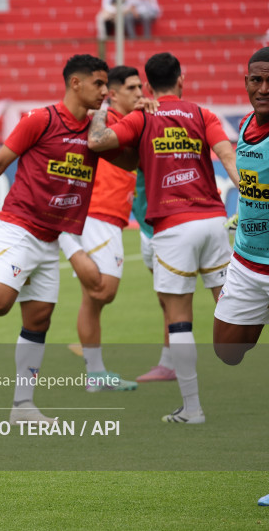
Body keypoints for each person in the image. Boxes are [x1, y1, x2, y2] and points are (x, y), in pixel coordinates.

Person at [0, 54, 139, 423]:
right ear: (75, 83)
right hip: (20, 226)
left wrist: (112, 124)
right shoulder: (40, 119)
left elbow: (130, 162)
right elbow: (0, 161)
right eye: (99, 84)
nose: (105, 91)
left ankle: (22, 406)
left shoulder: (95, 133)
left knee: (38, 319)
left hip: (53, 237)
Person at [88, 51, 239, 425]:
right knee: (235, 310)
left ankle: (192, 409)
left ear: (150, 86)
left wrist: (101, 112)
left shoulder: (142, 117)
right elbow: (227, 156)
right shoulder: (203, 114)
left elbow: (98, 142)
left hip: (173, 228)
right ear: (182, 80)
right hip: (214, 221)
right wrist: (253, 199)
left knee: (179, 319)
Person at [57, 66, 143, 391]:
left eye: (141, 88)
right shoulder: (103, 119)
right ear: (115, 94)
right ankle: (63, 236)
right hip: (97, 212)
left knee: (93, 301)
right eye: (132, 88)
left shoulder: (133, 122)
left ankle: (95, 375)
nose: (139, 94)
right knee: (104, 289)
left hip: (113, 216)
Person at [211, 46, 269, 507]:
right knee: (228, 350)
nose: (263, 89)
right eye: (256, 80)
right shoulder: (248, 125)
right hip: (248, 262)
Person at [131, 166, 176, 383]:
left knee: (173, 298)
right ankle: (170, 361)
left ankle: (171, 363)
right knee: (164, 297)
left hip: (168, 225)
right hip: (145, 224)